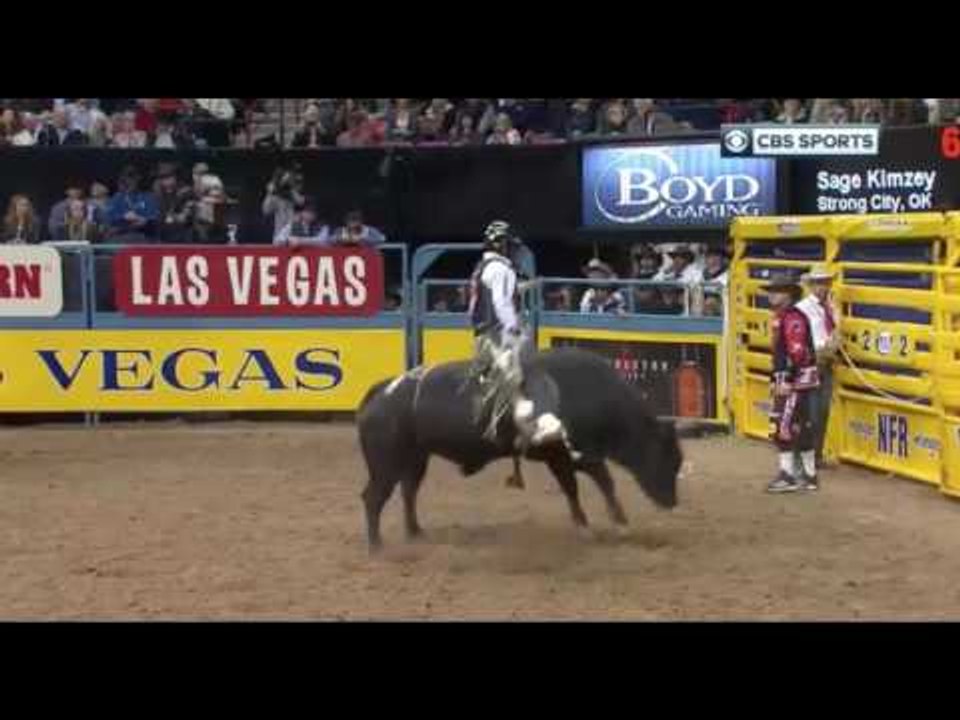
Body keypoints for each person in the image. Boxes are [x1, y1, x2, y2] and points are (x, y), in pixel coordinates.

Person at [467, 220, 568, 451]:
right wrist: (513, 327)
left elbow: (497, 294)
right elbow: (501, 301)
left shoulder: (483, 267)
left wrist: (526, 286)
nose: (514, 250)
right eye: (510, 245)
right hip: (501, 333)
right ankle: (544, 424)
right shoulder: (502, 269)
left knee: (505, 384)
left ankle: (510, 427)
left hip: (482, 335)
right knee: (536, 374)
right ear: (502, 245)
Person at [763, 275, 821, 494]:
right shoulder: (787, 316)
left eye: (776, 291)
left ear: (788, 294)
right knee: (800, 426)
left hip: (794, 382)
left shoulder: (792, 318)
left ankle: (788, 476)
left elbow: (797, 352)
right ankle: (809, 476)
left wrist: (785, 378)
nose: (771, 294)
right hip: (799, 380)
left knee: (781, 426)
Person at [796, 265, 841, 468]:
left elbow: (834, 331)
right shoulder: (803, 308)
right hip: (810, 361)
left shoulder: (830, 308)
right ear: (812, 285)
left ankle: (816, 456)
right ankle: (805, 455)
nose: (823, 287)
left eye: (826, 283)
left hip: (826, 361)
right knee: (811, 412)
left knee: (822, 411)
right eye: (820, 283)